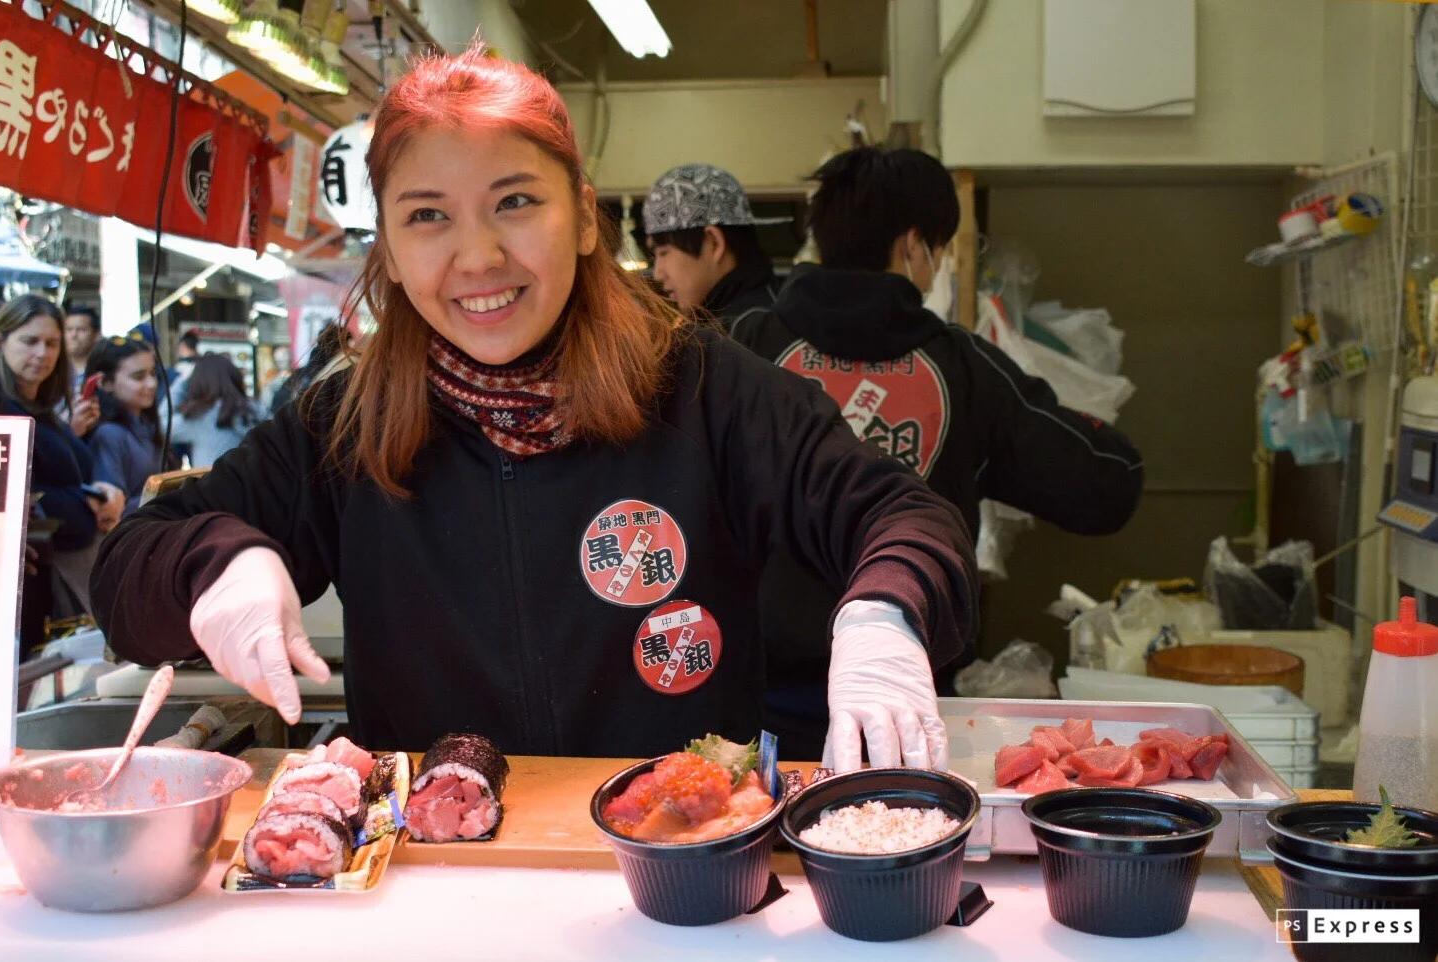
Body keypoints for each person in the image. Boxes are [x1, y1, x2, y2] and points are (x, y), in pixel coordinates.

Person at [90, 45, 977, 772]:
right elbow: (127, 572)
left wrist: (881, 616)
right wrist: (217, 561)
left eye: (515, 202)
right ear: (391, 252)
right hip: (434, 879)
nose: (477, 255)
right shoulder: (346, 428)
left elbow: (901, 513)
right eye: (428, 215)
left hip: (685, 872)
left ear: (583, 219)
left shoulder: (702, 386)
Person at [732, 147, 1145, 759]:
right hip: (909, 716)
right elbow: (1106, 484)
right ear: (913, 246)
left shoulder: (741, 345)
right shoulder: (964, 367)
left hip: (751, 712)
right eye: (942, 250)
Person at [0, 296, 124, 619]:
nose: (42, 353)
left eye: (52, 343)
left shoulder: (43, 410)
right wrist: (86, 501)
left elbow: (58, 474)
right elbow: (13, 496)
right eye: (30, 341)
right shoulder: (2, 410)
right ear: (0, 340)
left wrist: (101, 492)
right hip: (23, 590)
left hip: (58, 583)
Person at [643, 163, 777, 332]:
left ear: (714, 243)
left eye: (663, 252)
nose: (657, 274)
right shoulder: (740, 321)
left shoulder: (748, 334)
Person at [85, 336, 175, 517]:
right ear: (104, 382)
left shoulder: (147, 426)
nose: (151, 383)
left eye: (153, 374)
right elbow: (113, 510)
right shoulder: (109, 434)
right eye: (138, 377)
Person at [172, 353, 267, 467]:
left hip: (212, 483)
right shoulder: (257, 409)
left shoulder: (199, 416)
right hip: (257, 482)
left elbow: (163, 425)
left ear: (198, 382)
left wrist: (181, 381)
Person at [62, 304, 98, 395]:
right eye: (69, 329)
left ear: (96, 335)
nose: (74, 335)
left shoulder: (103, 372)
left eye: (81, 330)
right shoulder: (52, 369)